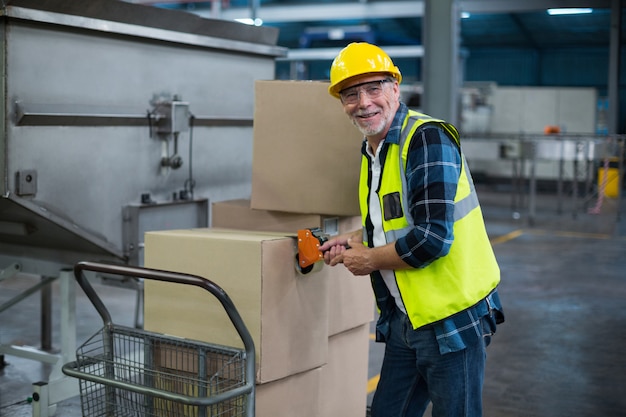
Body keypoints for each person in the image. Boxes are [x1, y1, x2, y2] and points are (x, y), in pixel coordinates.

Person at [318, 42, 505, 417]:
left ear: (395, 89)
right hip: (408, 318)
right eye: (351, 94)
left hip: (451, 319)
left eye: (373, 88)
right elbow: (396, 220)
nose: (364, 102)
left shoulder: (425, 138)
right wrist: (356, 239)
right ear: (342, 103)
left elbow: (432, 239)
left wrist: (368, 259)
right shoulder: (374, 149)